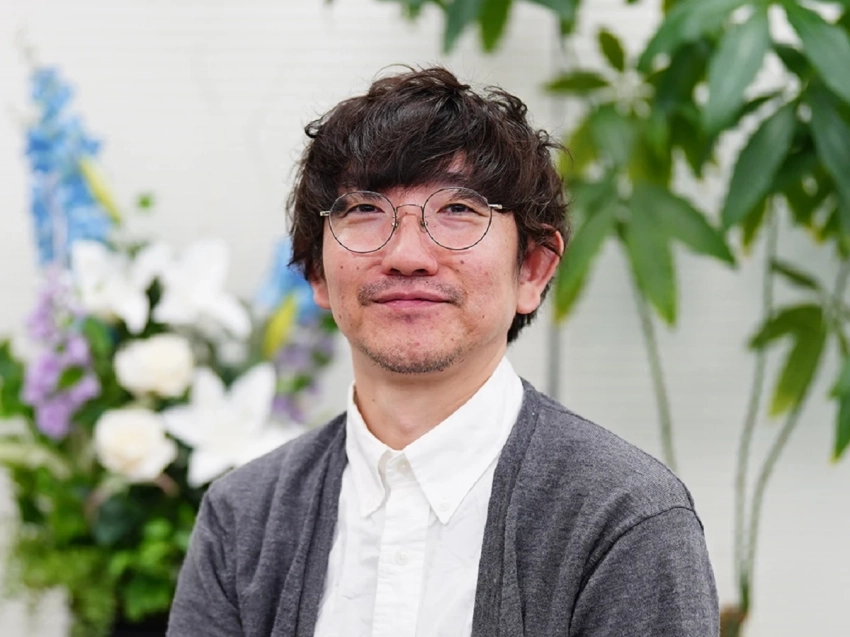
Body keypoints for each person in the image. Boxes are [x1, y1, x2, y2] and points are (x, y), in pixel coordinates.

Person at [167, 65, 719, 637]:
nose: (407, 256)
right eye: (364, 210)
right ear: (316, 272)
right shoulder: (242, 516)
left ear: (532, 269)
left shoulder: (624, 517)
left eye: (458, 211)